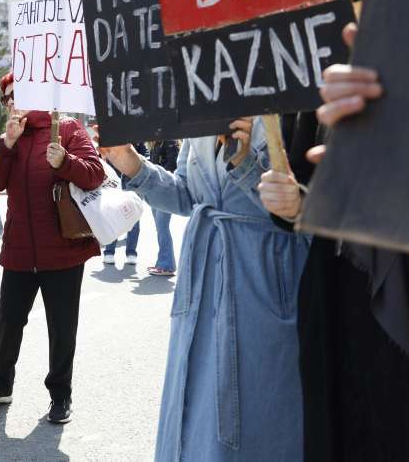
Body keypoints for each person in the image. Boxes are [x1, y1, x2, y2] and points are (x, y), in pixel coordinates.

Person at [258, 0, 409, 460]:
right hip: (334, 290)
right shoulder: (321, 89)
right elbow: (304, 193)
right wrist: (290, 204)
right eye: (352, 15)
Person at [99, 118, 310, 460]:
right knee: (196, 410)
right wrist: (133, 165)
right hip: (202, 288)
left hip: (263, 285)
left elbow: (308, 211)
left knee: (258, 413)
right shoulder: (204, 109)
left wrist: (247, 166)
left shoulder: (288, 103)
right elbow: (186, 195)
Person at [0, 73, 105, 424]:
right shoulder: (10, 138)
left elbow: (95, 174)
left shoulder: (70, 129)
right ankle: (1, 386)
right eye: (8, 98)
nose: (13, 102)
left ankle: (60, 395)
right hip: (18, 249)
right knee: (8, 322)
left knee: (62, 327)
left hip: (62, 251)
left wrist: (65, 162)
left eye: (19, 94)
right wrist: (8, 145)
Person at [103, 142, 147, 266]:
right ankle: (109, 252)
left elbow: (145, 155)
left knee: (134, 218)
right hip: (115, 183)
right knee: (113, 217)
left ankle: (131, 253)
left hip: (132, 183)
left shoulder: (137, 138)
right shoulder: (113, 136)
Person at [146, 140, 180, 276]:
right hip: (157, 191)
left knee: (162, 228)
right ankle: (163, 263)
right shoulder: (156, 143)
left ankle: (166, 265)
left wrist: (156, 176)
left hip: (165, 191)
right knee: (160, 229)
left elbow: (172, 165)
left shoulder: (169, 142)